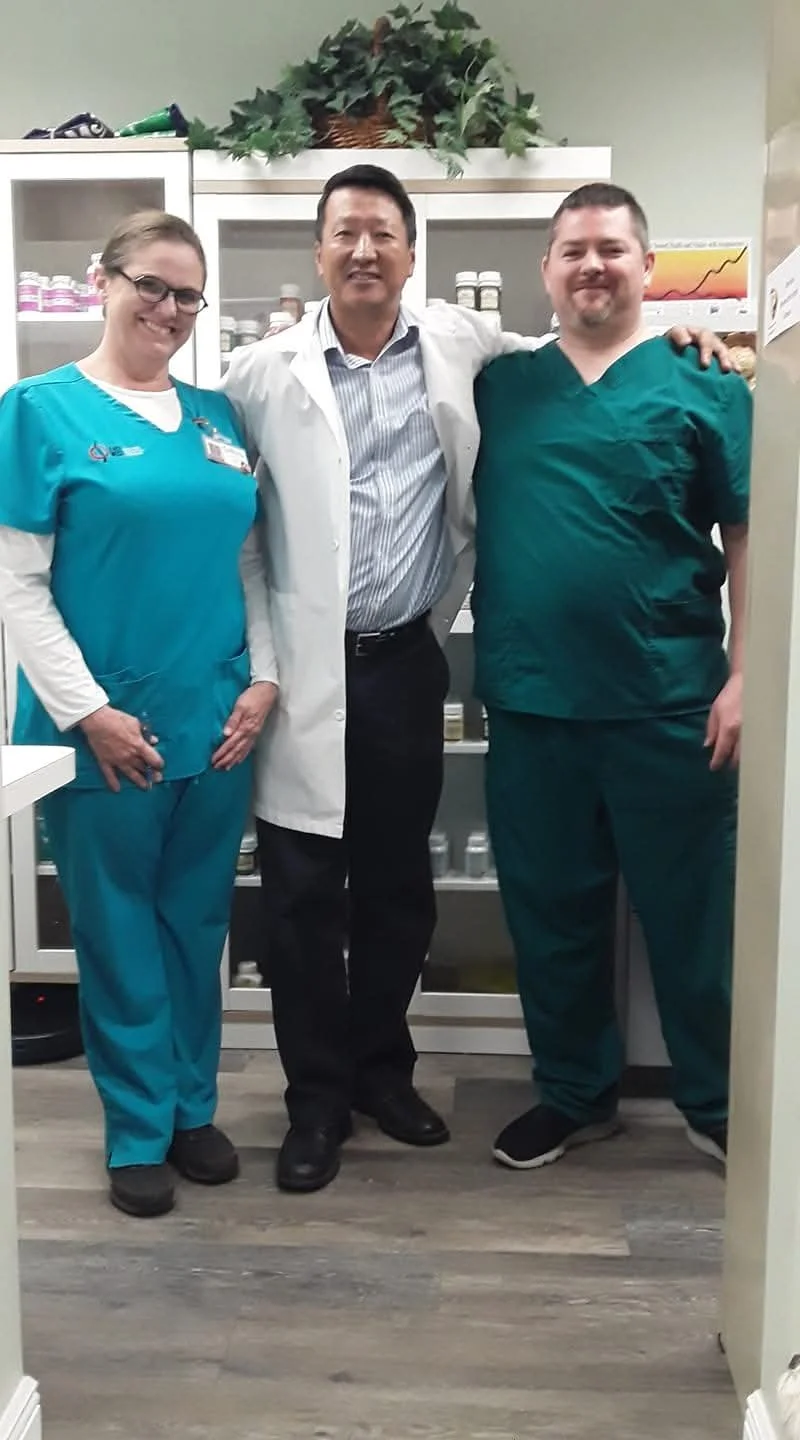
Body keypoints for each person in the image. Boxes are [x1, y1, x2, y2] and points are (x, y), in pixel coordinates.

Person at [222, 163, 735, 1194]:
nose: (363, 250)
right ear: (318, 253)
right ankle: (320, 1102)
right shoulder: (261, 372)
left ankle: (388, 1074)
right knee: (309, 897)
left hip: (422, 665)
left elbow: (605, 367)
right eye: (344, 233)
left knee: (401, 889)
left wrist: (695, 336)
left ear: (412, 253)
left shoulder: (474, 349)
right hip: (332, 674)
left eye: (383, 232)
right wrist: (261, 664)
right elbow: (234, 522)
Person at [0, 211, 278, 1217]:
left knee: (196, 921)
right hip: (101, 733)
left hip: (215, 718)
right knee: (117, 930)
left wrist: (264, 679)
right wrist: (89, 714)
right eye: (149, 285)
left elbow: (249, 562)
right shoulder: (39, 411)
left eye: (185, 294)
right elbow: (18, 584)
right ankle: (136, 1128)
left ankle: (192, 1108)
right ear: (102, 281)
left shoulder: (216, 417)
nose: (167, 307)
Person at [471, 182, 752, 1173]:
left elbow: (749, 532)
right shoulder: (501, 385)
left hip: (672, 704)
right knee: (550, 919)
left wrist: (747, 674)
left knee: (695, 921)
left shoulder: (704, 382)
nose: (592, 265)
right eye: (573, 250)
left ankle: (716, 1101)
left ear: (645, 266)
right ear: (546, 270)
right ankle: (573, 1095)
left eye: (612, 249)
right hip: (533, 705)